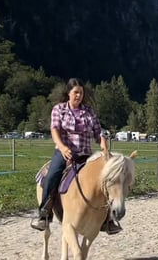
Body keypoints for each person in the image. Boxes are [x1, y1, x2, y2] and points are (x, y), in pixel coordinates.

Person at [30, 78, 121, 234]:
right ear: (69, 93)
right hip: (65, 153)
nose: (79, 96)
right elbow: (55, 131)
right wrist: (63, 147)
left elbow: (98, 132)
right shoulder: (59, 109)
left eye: (81, 93)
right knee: (52, 175)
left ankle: (108, 219)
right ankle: (44, 214)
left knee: (106, 179)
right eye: (76, 92)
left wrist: (104, 146)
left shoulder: (89, 111)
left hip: (85, 154)